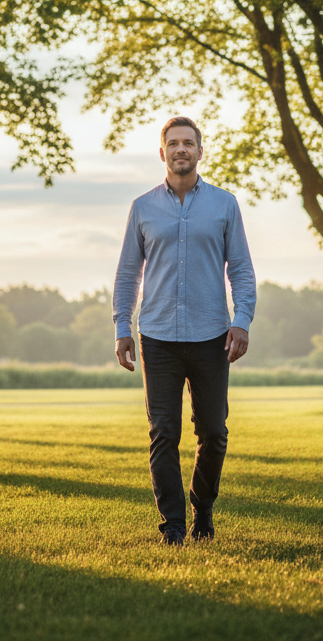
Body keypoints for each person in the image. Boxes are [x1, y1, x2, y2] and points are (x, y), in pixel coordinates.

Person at [113, 115, 256, 547]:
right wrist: (123, 326)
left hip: (212, 336)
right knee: (163, 434)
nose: (180, 150)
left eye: (188, 143)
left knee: (213, 432)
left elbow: (243, 271)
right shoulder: (142, 207)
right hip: (157, 338)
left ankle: (203, 505)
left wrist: (241, 321)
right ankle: (173, 525)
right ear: (162, 153)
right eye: (173, 143)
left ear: (199, 150)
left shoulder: (224, 205)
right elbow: (126, 274)